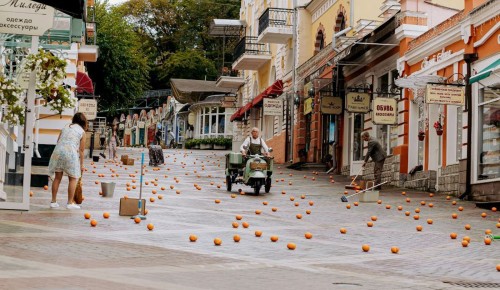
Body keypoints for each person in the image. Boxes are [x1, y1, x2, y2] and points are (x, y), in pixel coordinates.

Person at [48, 113, 87, 209]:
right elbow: (81, 150)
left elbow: (58, 140)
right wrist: (82, 165)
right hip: (70, 153)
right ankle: (70, 203)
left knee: (57, 178)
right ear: (83, 122)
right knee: (73, 178)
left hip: (58, 152)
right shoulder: (82, 132)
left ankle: (53, 201)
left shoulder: (65, 127)